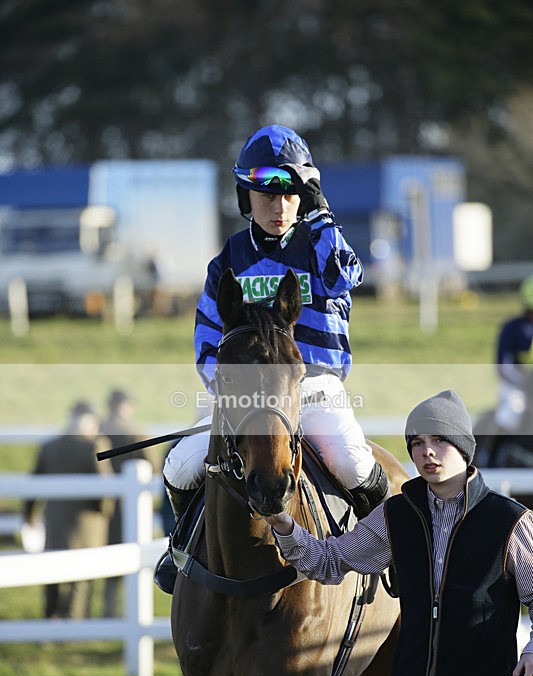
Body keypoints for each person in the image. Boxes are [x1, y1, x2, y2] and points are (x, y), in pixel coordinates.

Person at [265, 389, 533, 676]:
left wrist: (532, 651)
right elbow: (331, 561)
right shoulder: (395, 514)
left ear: (464, 446)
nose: (427, 452)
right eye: (417, 444)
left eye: (439, 441)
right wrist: (285, 527)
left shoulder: (510, 521)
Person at [161, 124, 388, 542]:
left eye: (291, 194)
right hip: (241, 396)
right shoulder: (228, 257)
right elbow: (207, 339)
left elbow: (345, 276)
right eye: (267, 194)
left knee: (352, 462)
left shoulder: (321, 246)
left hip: (315, 389)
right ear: (245, 195)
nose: (280, 206)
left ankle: (393, 555)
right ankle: (180, 551)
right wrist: (231, 390)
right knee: (180, 465)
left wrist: (320, 212)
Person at [23, 401, 115, 619]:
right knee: (81, 577)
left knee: (52, 572)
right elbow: (106, 489)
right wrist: (105, 511)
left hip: (54, 521)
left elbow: (32, 485)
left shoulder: (50, 446)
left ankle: (50, 616)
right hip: (88, 524)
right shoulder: (95, 445)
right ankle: (74, 621)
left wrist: (29, 515)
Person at [100, 389, 159, 616]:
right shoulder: (137, 433)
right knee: (134, 556)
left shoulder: (99, 430)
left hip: (103, 507)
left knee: (107, 558)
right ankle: (133, 612)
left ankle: (108, 610)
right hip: (131, 508)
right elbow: (152, 466)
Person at [495, 274, 533, 433]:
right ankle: (489, 455)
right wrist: (525, 384)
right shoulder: (513, 328)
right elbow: (504, 366)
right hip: (517, 387)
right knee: (510, 416)